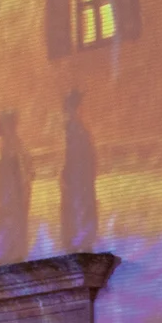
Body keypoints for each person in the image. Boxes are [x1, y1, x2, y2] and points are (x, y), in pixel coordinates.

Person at [0, 111, 34, 267]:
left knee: (10, 229)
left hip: (12, 199)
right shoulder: (8, 147)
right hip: (6, 197)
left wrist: (21, 195)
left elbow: (24, 174)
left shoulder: (16, 148)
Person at [60, 89, 99, 252]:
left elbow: (82, 154)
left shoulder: (77, 128)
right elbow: (73, 155)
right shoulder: (74, 128)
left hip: (80, 176)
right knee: (78, 207)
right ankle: (79, 240)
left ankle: (80, 240)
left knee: (80, 207)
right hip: (78, 176)